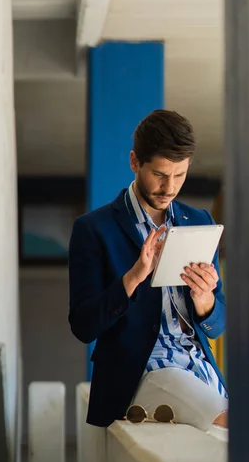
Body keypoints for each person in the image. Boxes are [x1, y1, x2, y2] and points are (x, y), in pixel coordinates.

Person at [68, 110, 228, 435]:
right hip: (142, 373)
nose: (169, 187)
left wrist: (204, 299)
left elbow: (217, 325)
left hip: (200, 368)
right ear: (134, 162)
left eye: (180, 175)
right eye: (159, 174)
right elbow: (83, 326)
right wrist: (134, 277)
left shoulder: (199, 222)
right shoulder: (94, 229)